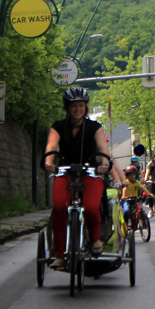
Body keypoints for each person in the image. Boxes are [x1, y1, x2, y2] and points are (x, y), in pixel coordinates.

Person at [44, 87, 112, 270]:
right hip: (65, 172)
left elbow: (103, 149)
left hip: (90, 173)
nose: (77, 109)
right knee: (59, 207)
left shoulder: (95, 127)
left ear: (85, 107)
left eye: (81, 106)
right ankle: (59, 255)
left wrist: (104, 163)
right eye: (74, 106)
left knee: (90, 207)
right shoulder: (58, 126)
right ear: (67, 108)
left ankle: (95, 240)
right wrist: (49, 160)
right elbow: (52, 145)